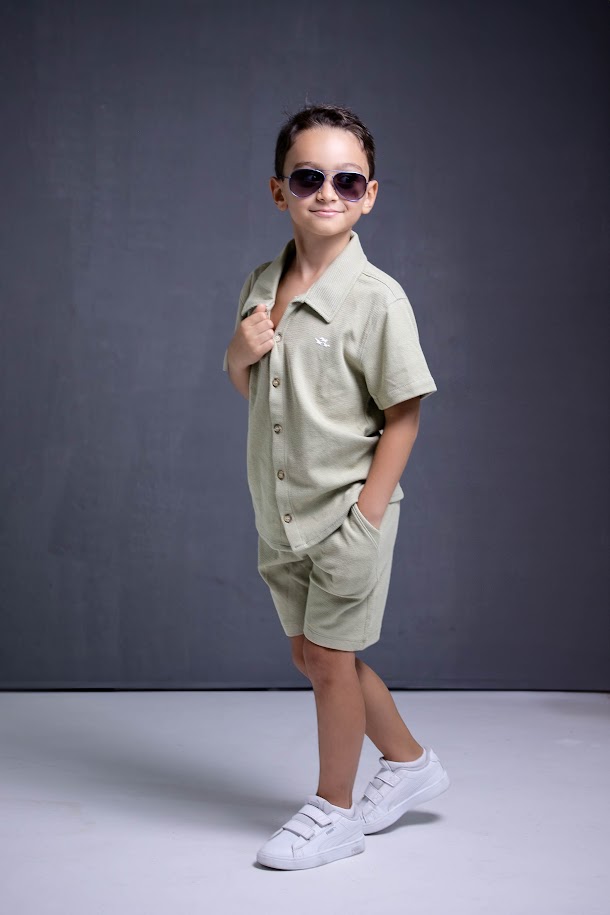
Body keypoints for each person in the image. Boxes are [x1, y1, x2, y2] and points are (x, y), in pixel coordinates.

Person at [223, 104, 450, 871]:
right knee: (315, 655)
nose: (328, 192)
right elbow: (251, 387)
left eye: (347, 180)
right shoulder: (262, 284)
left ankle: (335, 808)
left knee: (327, 657)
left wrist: (367, 513)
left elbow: (404, 414)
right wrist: (240, 348)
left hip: (347, 513)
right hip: (281, 512)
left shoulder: (378, 298)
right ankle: (410, 761)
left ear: (370, 195)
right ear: (278, 190)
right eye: (308, 177)